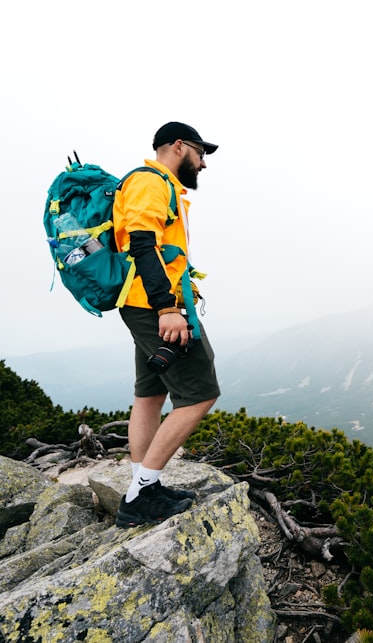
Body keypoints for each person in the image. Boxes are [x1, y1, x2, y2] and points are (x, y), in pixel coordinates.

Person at [112, 122, 221, 528]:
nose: (203, 163)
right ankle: (141, 493)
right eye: (200, 152)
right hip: (155, 306)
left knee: (151, 393)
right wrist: (167, 309)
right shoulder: (150, 182)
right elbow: (143, 244)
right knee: (199, 394)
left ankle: (144, 487)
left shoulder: (160, 185)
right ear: (178, 147)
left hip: (145, 304)